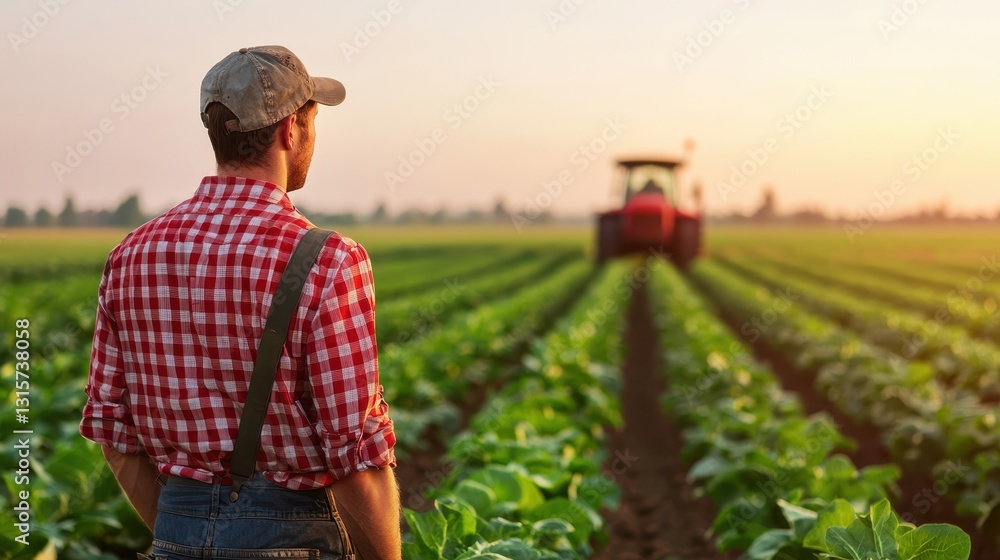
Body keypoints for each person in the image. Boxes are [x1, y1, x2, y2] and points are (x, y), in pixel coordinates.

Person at [79, 45, 401, 560]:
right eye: (312, 122)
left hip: (175, 537)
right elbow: (355, 460)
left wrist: (188, 530)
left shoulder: (131, 254)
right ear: (289, 130)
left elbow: (115, 435)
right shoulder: (329, 259)